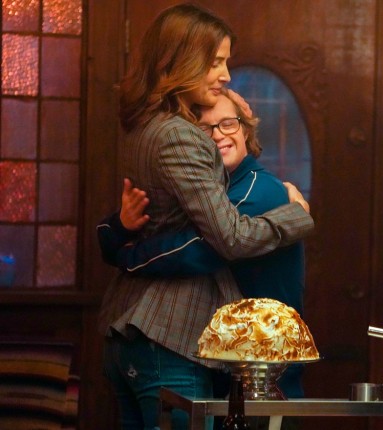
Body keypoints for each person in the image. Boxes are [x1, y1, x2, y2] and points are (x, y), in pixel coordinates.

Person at [97, 4, 314, 430]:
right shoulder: (178, 135)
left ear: (247, 128)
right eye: (215, 62)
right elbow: (223, 240)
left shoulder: (148, 126)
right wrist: (299, 216)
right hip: (168, 333)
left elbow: (183, 236)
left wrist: (120, 243)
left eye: (229, 125)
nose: (226, 74)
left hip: (236, 356)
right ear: (181, 61)